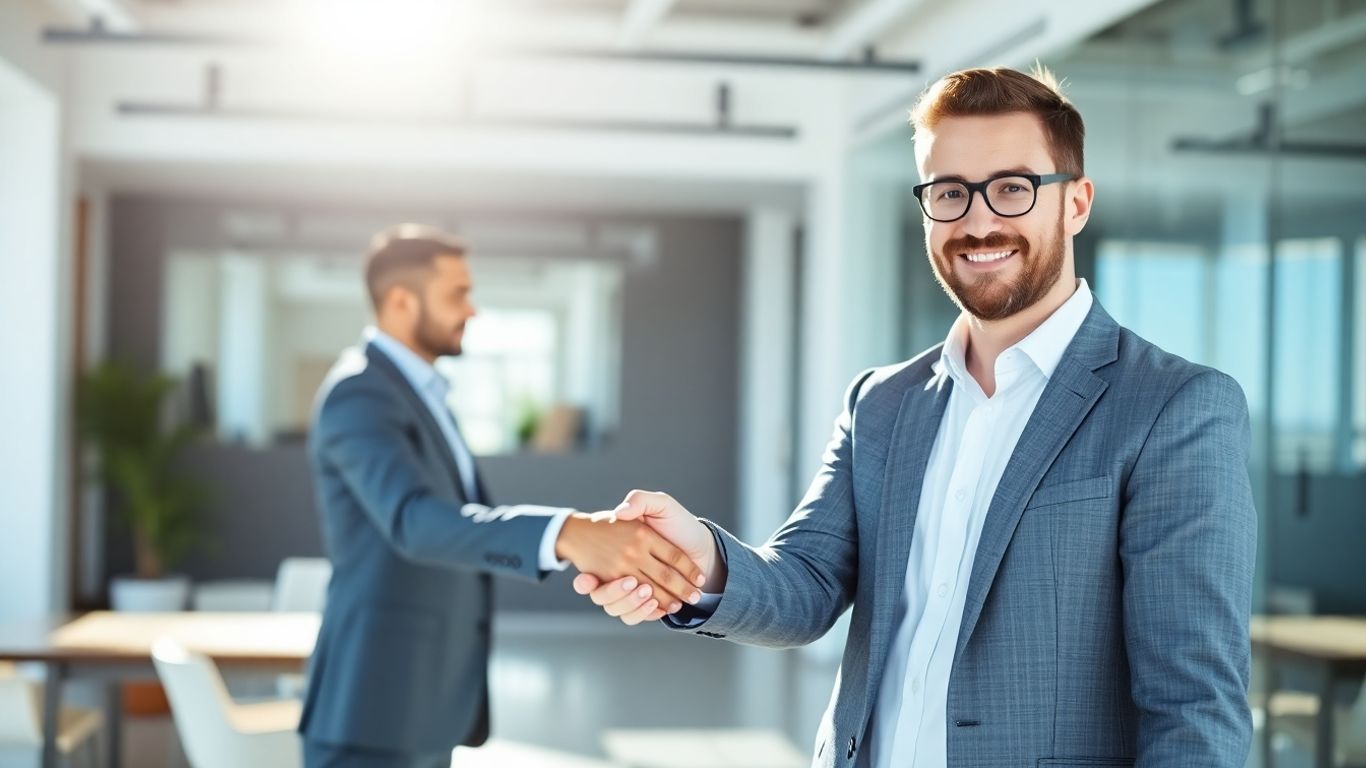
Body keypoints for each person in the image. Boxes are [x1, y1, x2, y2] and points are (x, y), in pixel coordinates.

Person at [575, 67, 1257, 767]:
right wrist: (702, 562)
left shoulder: (1174, 409)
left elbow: (1194, 711)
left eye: (1014, 187)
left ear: (1076, 203)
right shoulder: (881, 402)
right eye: (950, 192)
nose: (979, 220)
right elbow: (807, 583)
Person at [299, 224, 706, 768]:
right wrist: (564, 534)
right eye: (457, 294)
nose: (472, 310)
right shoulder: (359, 395)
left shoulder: (419, 393)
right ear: (400, 301)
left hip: (419, 703)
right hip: (371, 707)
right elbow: (415, 522)